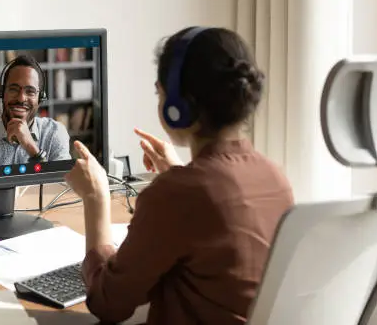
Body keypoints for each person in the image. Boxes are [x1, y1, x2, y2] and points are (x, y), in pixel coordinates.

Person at [65, 26, 295, 324]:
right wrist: (178, 175)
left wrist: (96, 199)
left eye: (159, 92)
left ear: (178, 107)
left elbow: (108, 303)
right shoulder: (275, 178)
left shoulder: (176, 194)